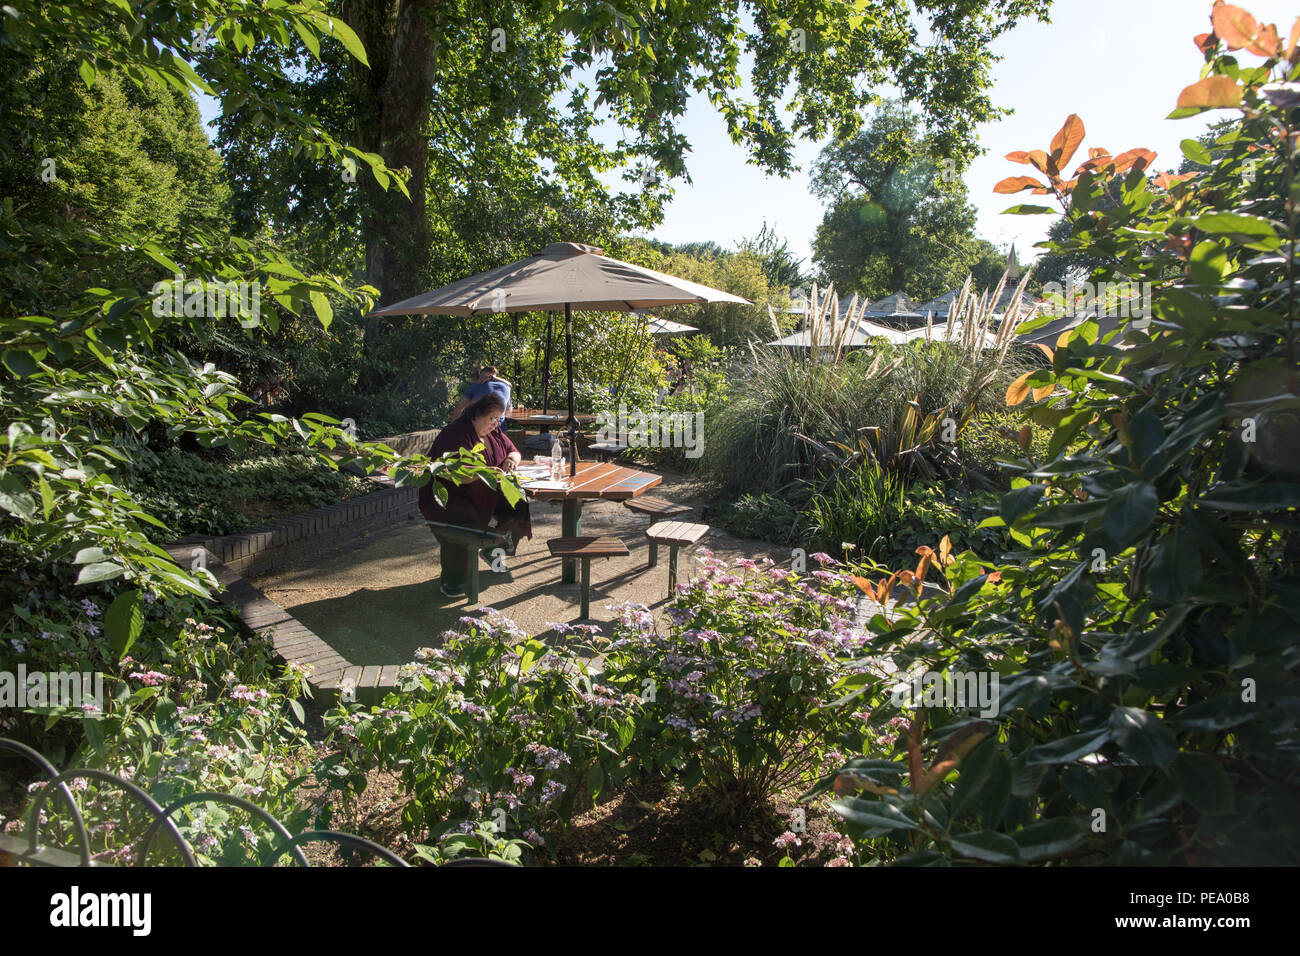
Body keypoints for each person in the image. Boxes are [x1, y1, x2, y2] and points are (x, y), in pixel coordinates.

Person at [419, 394, 532, 597]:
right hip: (451, 500)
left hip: (484, 494)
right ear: (478, 413)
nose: (495, 424)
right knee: (464, 526)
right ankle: (453, 582)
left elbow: (514, 451)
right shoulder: (456, 433)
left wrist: (511, 460)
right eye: (492, 418)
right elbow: (455, 475)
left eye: (499, 420)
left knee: (519, 505)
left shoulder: (494, 433)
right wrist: (485, 472)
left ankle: (494, 546)